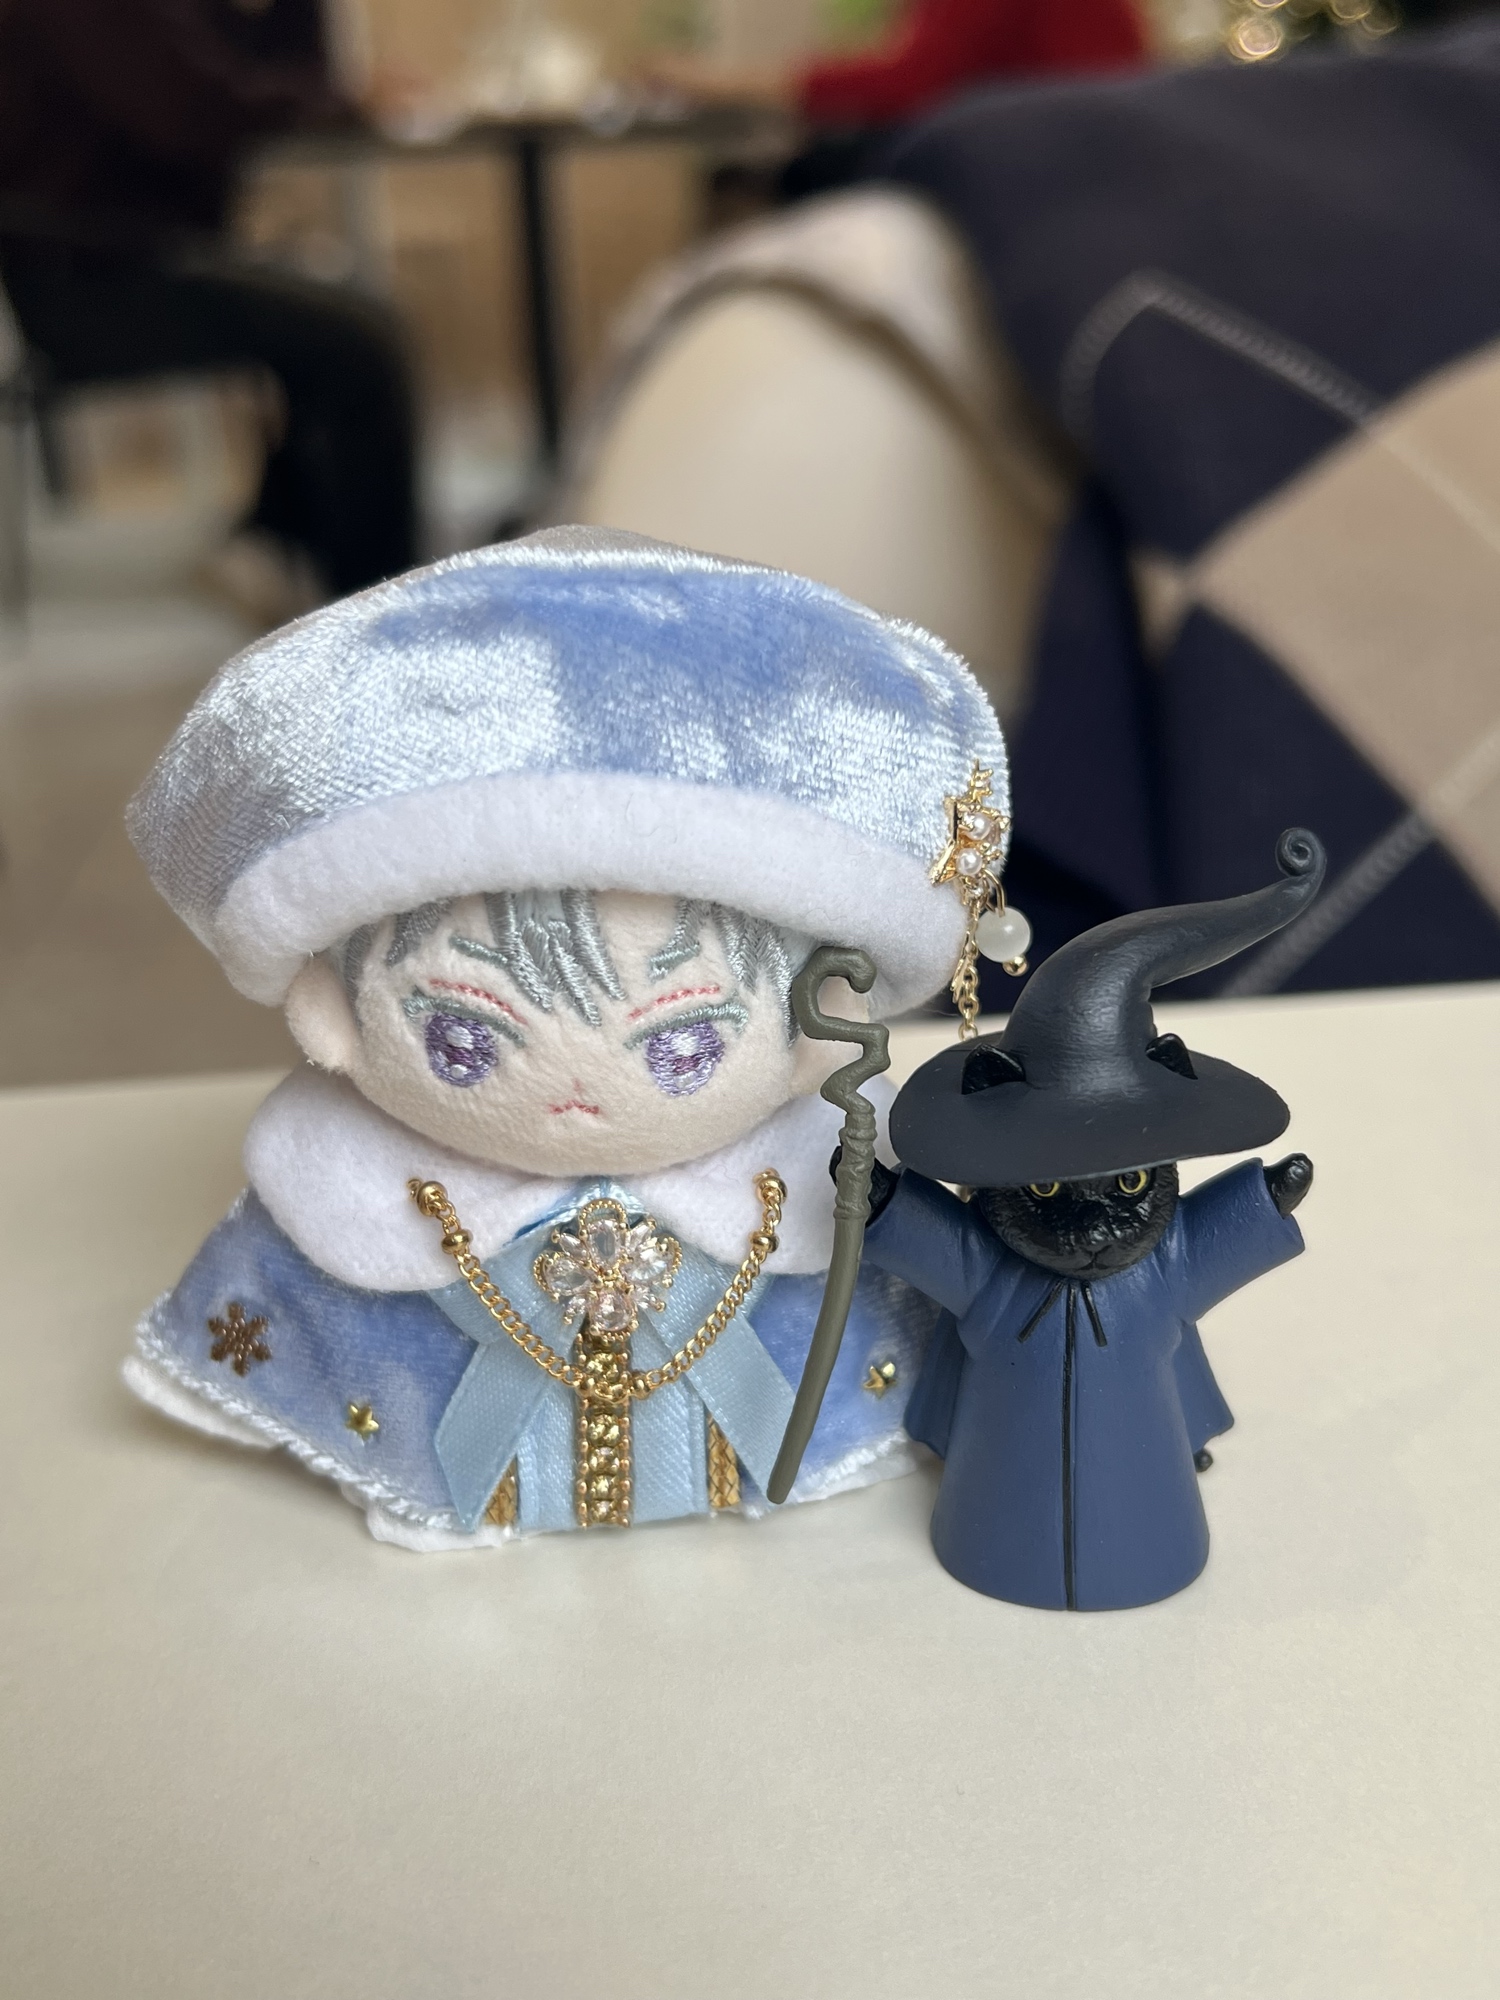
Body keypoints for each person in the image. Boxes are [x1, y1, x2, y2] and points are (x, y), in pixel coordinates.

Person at [0, 0, 417, 598]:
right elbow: (198, 110)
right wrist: (341, 101)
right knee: (360, 340)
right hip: (86, 282)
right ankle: (379, 608)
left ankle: (274, 537)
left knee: (336, 319)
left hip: (135, 258)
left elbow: (257, 63)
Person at [645, 0, 1149, 199]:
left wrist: (724, 83)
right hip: (1081, 148)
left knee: (796, 174)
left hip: (1060, 165)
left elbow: (906, 85)